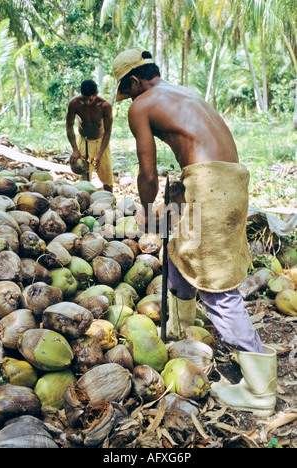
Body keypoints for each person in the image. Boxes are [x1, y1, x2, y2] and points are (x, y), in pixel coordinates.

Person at [112, 48, 277, 417]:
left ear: (135, 81)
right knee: (181, 251)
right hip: (230, 180)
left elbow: (148, 172)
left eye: (128, 90)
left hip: (209, 183)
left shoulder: (141, 106)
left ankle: (260, 391)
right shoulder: (184, 92)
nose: (130, 99)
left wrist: (143, 210)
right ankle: (180, 329)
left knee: (217, 287)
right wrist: (182, 197)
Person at [66, 79, 113, 192]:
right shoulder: (74, 103)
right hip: (84, 141)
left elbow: (107, 132)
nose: (87, 102)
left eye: (90, 99)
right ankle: (85, 205)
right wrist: (75, 150)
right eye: (84, 99)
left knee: (107, 177)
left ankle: (110, 201)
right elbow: (69, 126)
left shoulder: (104, 106)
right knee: (84, 179)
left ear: (96, 95)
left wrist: (100, 154)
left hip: (101, 141)